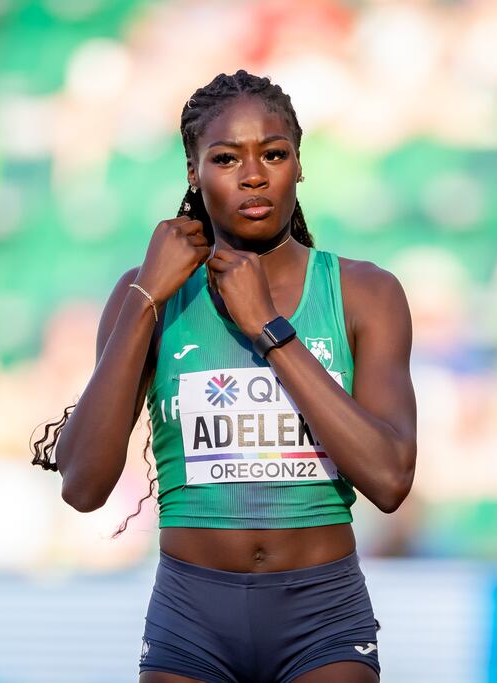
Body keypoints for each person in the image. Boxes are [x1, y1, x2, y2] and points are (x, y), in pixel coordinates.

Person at [32, 70, 417, 683]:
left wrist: (268, 325)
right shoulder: (148, 299)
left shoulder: (365, 293)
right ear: (193, 171)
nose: (254, 175)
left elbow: (391, 479)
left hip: (323, 616)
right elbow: (83, 486)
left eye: (273, 153)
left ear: (299, 164)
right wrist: (144, 299)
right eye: (225, 158)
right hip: (191, 618)